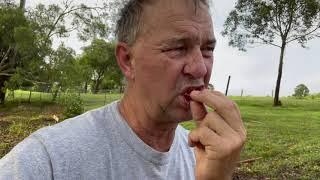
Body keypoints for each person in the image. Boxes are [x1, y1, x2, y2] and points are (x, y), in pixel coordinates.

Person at [0, 0, 246, 179]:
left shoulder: (204, 156)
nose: (200, 68)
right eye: (178, 48)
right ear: (128, 60)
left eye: (207, 49)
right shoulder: (48, 161)